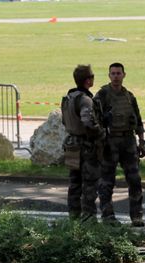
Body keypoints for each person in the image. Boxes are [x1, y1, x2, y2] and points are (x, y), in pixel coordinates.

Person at [94, 62, 145, 227]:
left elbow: (137, 119)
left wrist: (141, 141)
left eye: (118, 73)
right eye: (113, 73)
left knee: (135, 180)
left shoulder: (129, 96)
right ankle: (108, 215)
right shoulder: (102, 95)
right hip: (110, 142)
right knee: (107, 181)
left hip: (128, 141)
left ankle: (136, 216)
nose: (116, 76)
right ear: (109, 75)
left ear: (124, 75)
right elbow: (94, 119)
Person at [61, 64, 105, 222]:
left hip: (71, 144)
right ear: (87, 80)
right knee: (89, 184)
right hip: (86, 146)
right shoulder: (85, 100)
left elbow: (64, 121)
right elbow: (89, 123)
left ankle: (73, 217)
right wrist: (102, 133)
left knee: (74, 183)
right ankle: (88, 219)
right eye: (92, 76)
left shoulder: (68, 98)